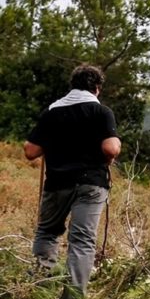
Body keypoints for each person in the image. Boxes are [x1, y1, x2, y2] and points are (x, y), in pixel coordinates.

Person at [24, 64, 121, 298]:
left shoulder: (52, 112)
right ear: (97, 89)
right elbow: (111, 147)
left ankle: (41, 289)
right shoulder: (102, 112)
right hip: (91, 184)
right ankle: (73, 296)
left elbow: (30, 151)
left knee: (47, 232)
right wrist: (113, 150)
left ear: (72, 86)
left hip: (57, 183)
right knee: (82, 241)